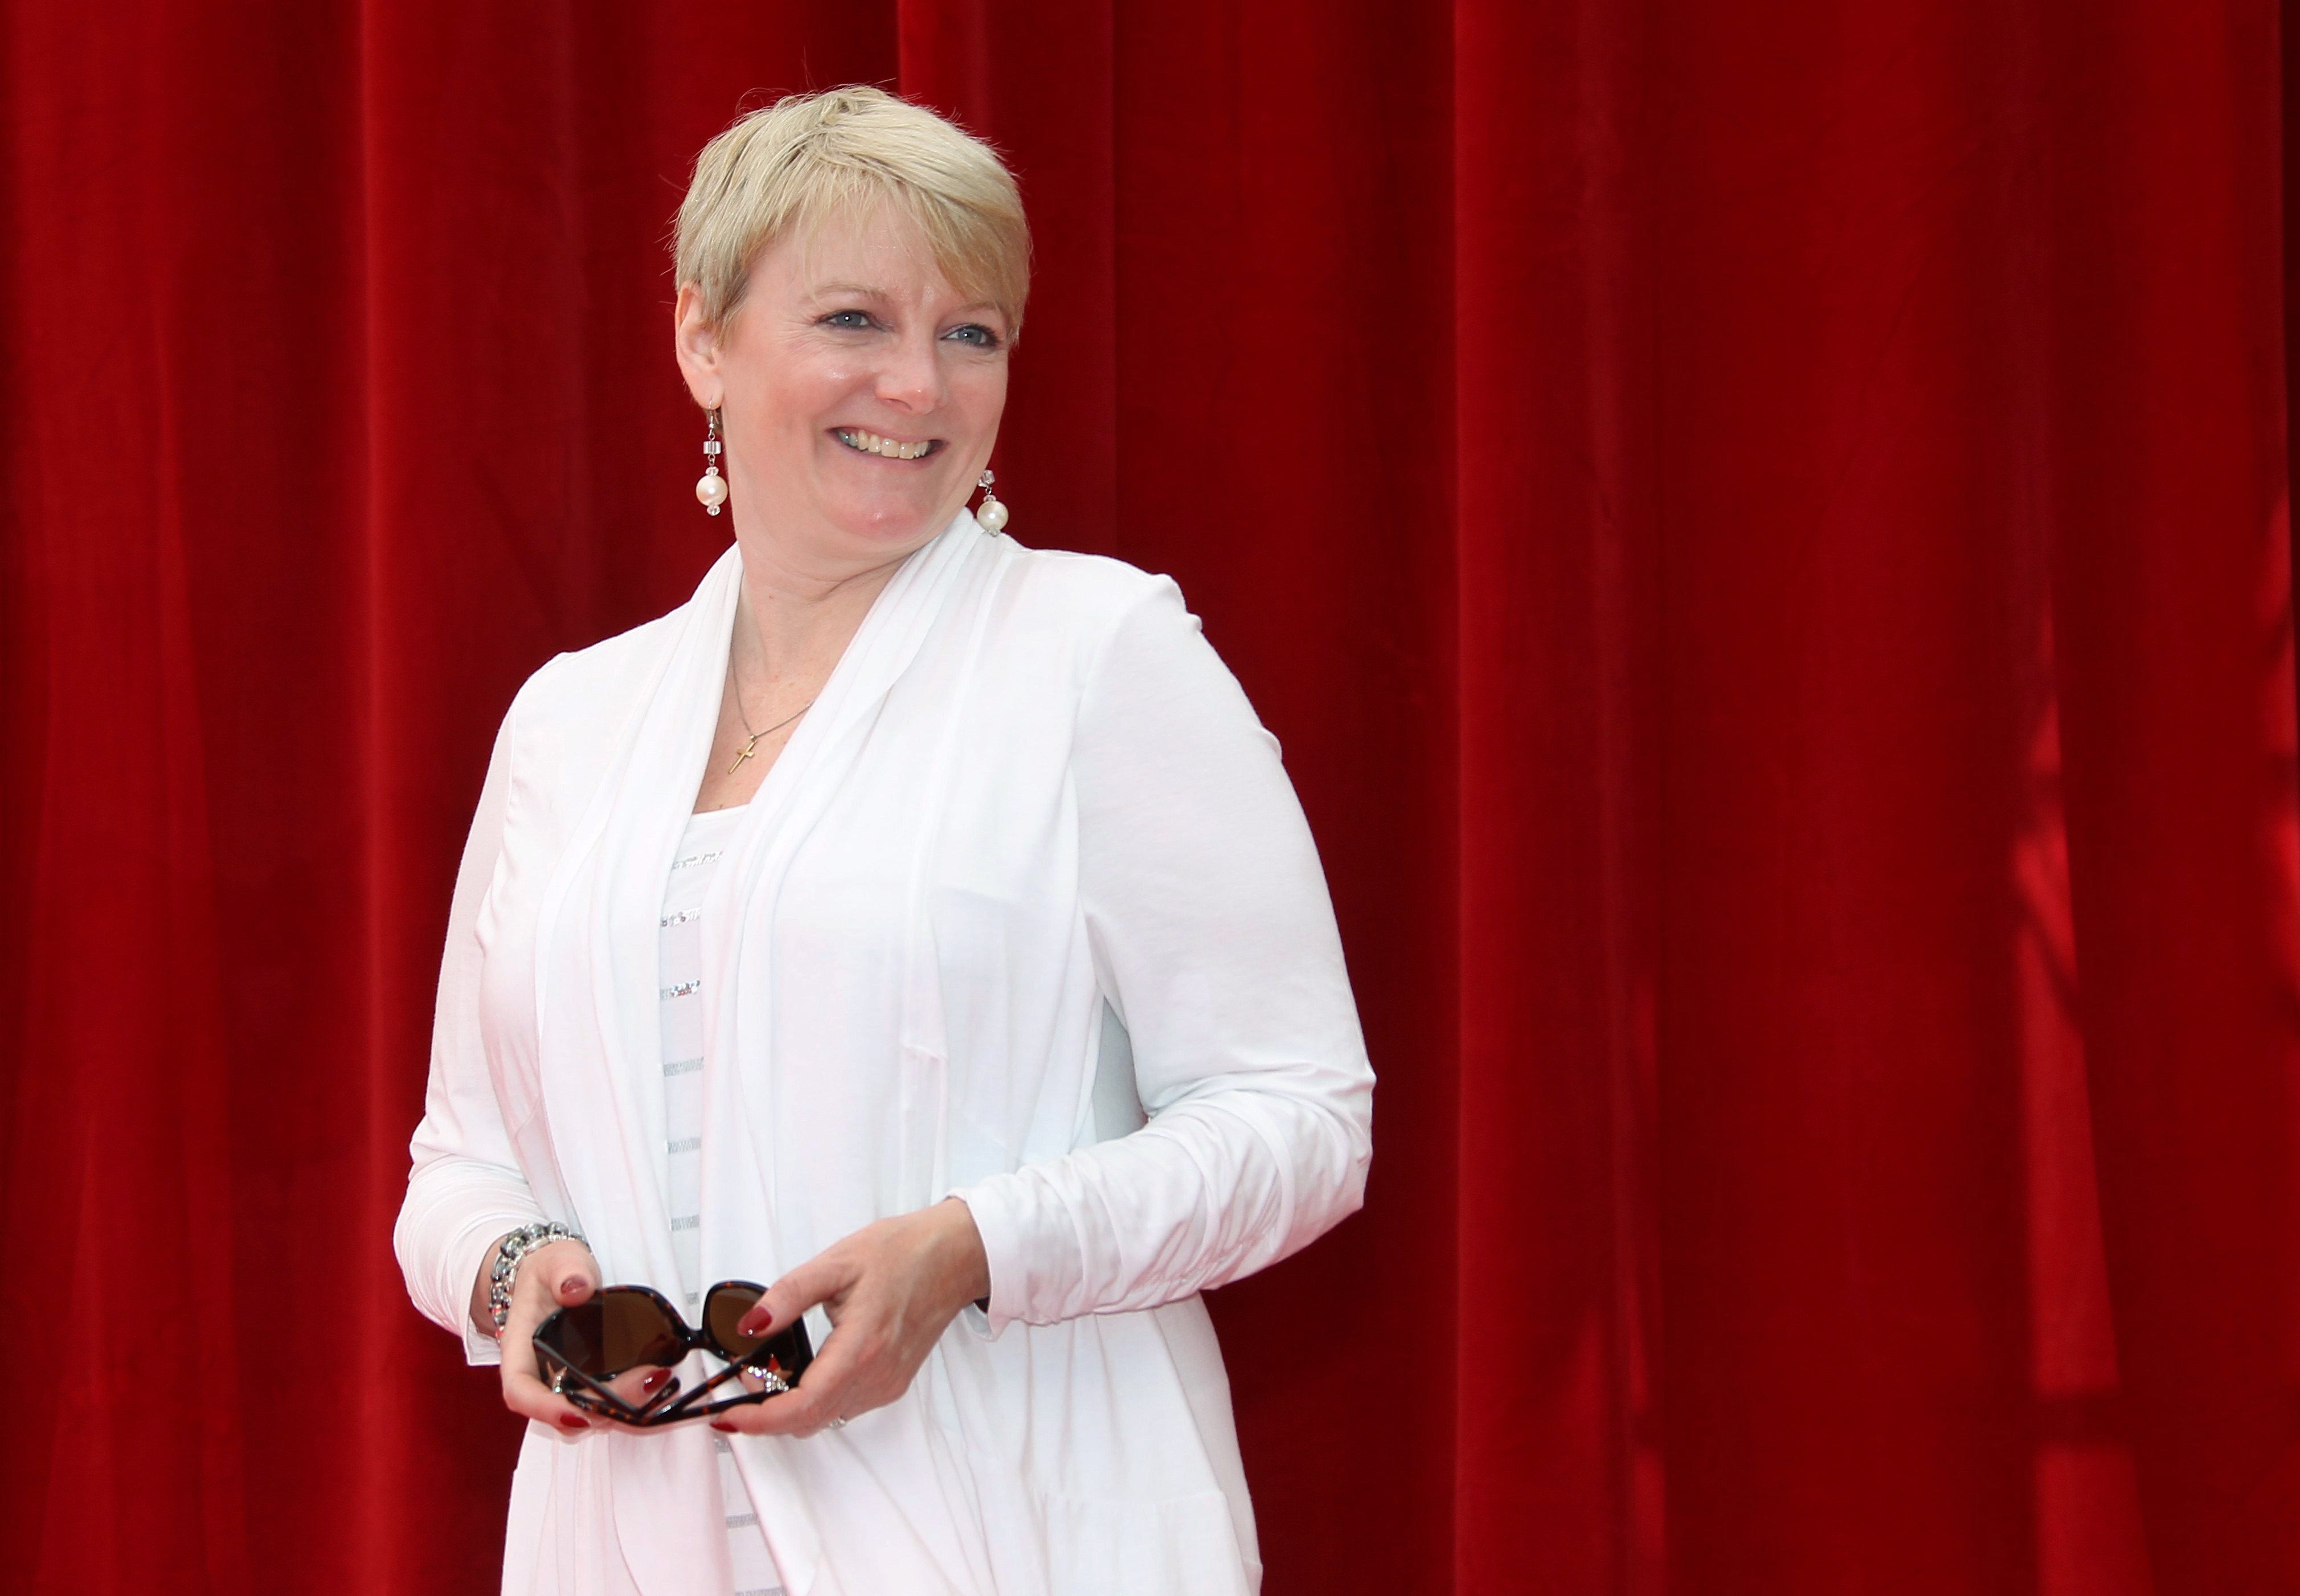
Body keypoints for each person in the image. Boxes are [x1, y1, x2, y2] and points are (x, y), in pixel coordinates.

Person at [394, 85, 1373, 1596]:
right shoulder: (568, 719)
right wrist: (523, 1276)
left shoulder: (1097, 651)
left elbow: (1303, 1115)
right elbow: (459, 1158)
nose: (919, 382)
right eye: (856, 319)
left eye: (971, 332)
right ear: (701, 338)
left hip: (1026, 1532)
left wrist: (973, 1248)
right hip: (623, 1553)